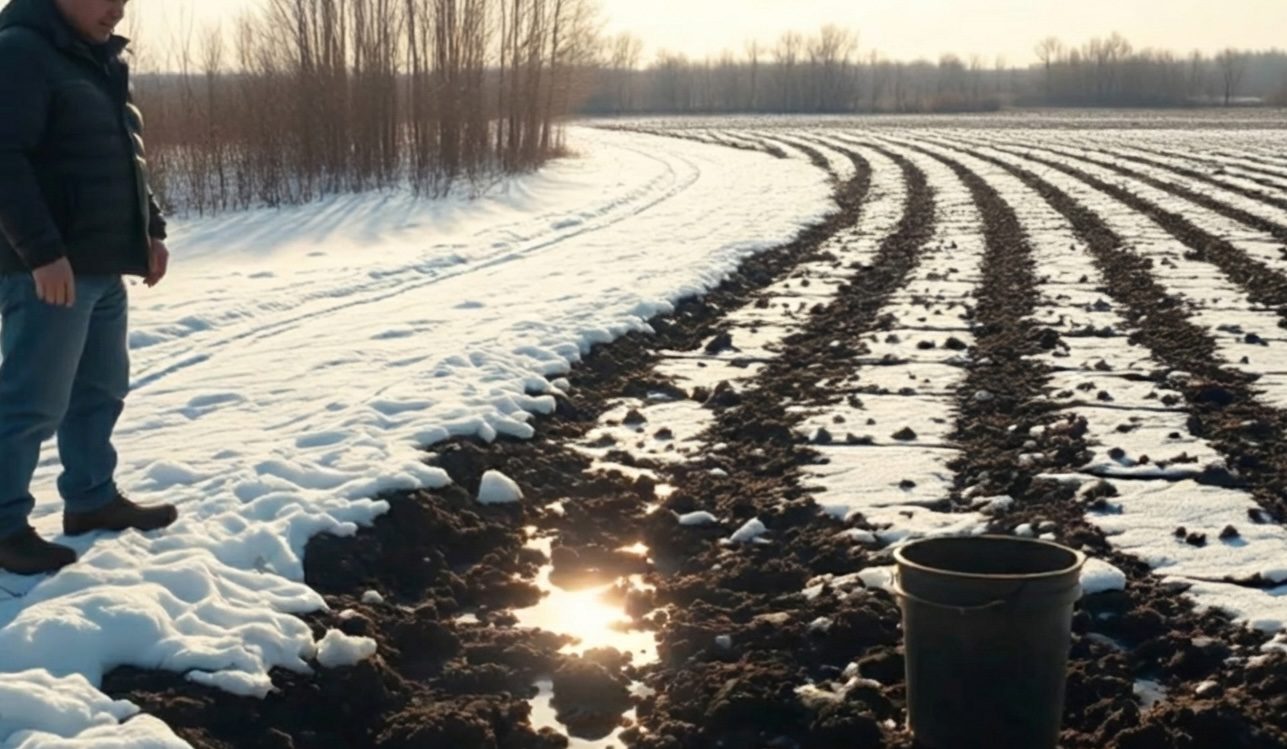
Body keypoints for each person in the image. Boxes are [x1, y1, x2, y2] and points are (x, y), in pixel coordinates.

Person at [0, 0, 176, 575]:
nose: (118, 9)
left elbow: (125, 154)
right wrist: (42, 254)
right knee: (32, 402)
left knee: (100, 390)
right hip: (52, 269)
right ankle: (3, 526)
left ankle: (92, 498)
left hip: (102, 261)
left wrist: (149, 229)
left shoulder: (96, 59)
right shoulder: (22, 51)